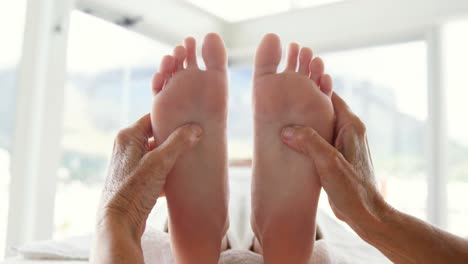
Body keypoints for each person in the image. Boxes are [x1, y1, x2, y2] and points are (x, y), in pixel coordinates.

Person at [91, 33, 468, 263]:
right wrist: (374, 214)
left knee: (175, 219)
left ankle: (193, 242)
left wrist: (118, 217)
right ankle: (277, 240)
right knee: (310, 222)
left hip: (201, 189)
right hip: (258, 193)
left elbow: (121, 216)